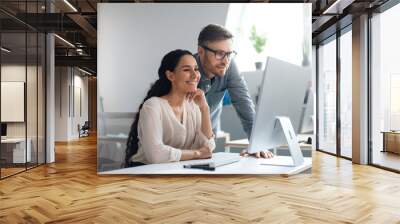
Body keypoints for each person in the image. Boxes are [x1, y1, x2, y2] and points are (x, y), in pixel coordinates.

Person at [125, 49, 215, 167]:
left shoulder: (194, 106)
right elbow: (155, 155)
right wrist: (196, 153)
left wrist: (204, 108)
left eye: (196, 69)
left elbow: (208, 148)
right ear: (171, 75)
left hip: (176, 169)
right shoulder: (153, 106)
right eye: (187, 70)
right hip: (145, 171)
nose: (195, 75)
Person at [195, 24, 273, 158]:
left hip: (207, 141)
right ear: (201, 51)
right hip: (181, 143)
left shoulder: (229, 67)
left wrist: (256, 143)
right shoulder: (187, 69)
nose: (225, 61)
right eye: (219, 54)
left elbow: (243, 102)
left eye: (229, 54)